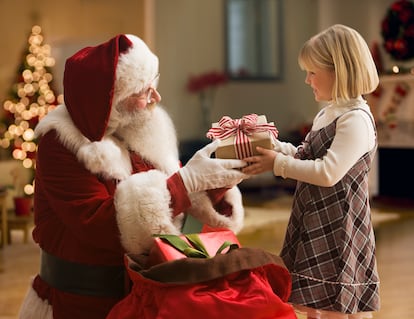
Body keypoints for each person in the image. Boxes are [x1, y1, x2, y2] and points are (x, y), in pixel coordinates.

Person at [18, 34, 249, 319]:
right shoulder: (61, 143)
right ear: (110, 100)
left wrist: (217, 182)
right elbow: (99, 224)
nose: (157, 98)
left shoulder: (143, 132)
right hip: (85, 302)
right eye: (144, 90)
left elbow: (175, 212)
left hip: (148, 296)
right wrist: (186, 182)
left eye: (155, 83)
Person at [242, 24, 380, 319]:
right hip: (313, 218)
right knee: (311, 302)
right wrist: (275, 147)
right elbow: (306, 155)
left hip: (338, 226)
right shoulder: (328, 113)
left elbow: (328, 172)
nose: (307, 80)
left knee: (337, 305)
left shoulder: (355, 119)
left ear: (339, 71)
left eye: (312, 72)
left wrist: (276, 166)